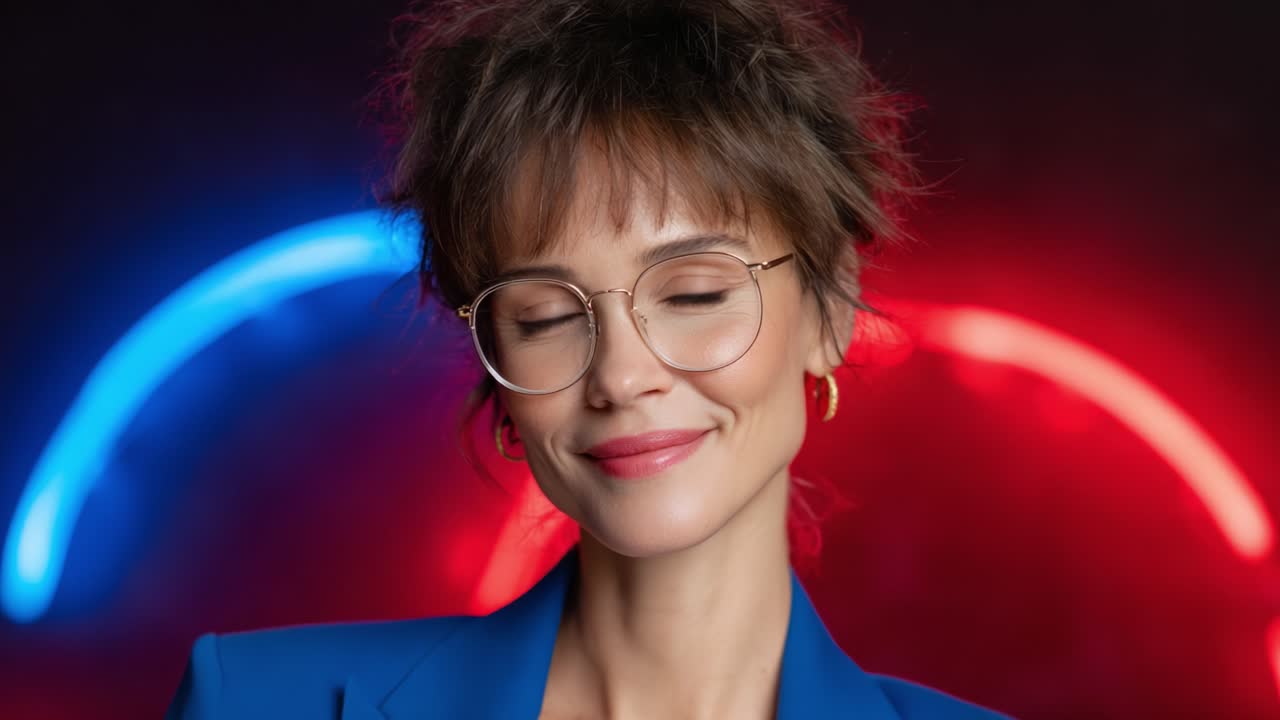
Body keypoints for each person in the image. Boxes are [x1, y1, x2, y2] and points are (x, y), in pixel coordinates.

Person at [166, 0, 1018, 718]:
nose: (619, 375)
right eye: (544, 317)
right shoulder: (251, 700)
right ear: (492, 362)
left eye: (693, 295)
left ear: (829, 308)